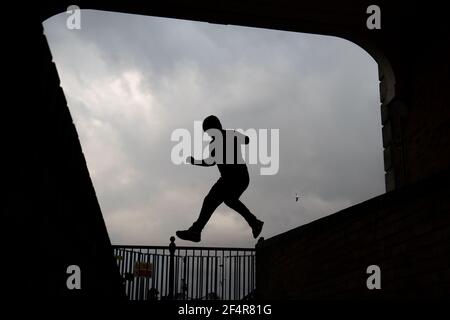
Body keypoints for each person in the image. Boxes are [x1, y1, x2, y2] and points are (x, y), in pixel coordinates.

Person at [176, 115, 264, 242]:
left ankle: (196, 231)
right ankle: (254, 223)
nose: (209, 135)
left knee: (220, 200)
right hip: (230, 178)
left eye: (209, 132)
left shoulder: (225, 137)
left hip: (237, 177)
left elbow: (246, 140)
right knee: (222, 200)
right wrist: (195, 161)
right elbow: (211, 161)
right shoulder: (218, 141)